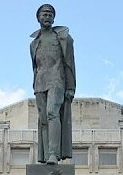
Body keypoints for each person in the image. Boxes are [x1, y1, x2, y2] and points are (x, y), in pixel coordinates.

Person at [30, 3, 75, 164]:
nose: (47, 17)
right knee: (43, 119)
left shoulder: (63, 38)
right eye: (44, 14)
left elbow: (69, 63)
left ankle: (53, 154)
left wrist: (70, 87)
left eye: (50, 14)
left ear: (54, 18)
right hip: (40, 83)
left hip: (57, 80)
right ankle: (45, 154)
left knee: (52, 113)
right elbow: (35, 66)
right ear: (38, 18)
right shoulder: (34, 43)